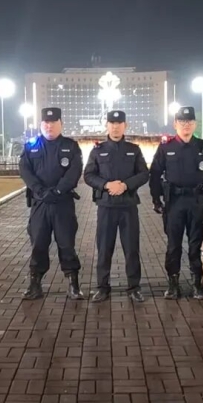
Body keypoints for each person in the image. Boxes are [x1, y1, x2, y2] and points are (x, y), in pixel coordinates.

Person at [149, 106, 203, 300]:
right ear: (175, 124)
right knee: (174, 245)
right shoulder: (166, 147)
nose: (186, 125)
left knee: (196, 244)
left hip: (197, 201)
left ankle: (197, 284)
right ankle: (173, 284)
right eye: (182, 121)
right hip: (174, 202)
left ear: (195, 124)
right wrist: (156, 199)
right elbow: (155, 173)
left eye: (189, 122)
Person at [19, 107, 85, 300]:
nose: (49, 126)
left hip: (62, 203)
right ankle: (35, 285)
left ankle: (73, 285)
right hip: (40, 203)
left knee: (66, 243)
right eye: (46, 123)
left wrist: (57, 191)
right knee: (38, 243)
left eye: (53, 122)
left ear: (60, 124)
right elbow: (25, 171)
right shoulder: (31, 146)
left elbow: (74, 171)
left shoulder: (70, 146)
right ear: (41, 124)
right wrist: (40, 191)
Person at [83, 110, 149, 303]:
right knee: (104, 249)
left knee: (132, 249)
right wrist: (106, 185)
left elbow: (144, 174)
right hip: (106, 206)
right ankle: (102, 288)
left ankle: (134, 288)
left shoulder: (134, 150)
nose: (115, 126)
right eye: (112, 123)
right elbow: (88, 175)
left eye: (119, 123)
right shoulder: (98, 150)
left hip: (128, 206)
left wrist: (125, 185)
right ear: (107, 125)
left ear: (125, 126)